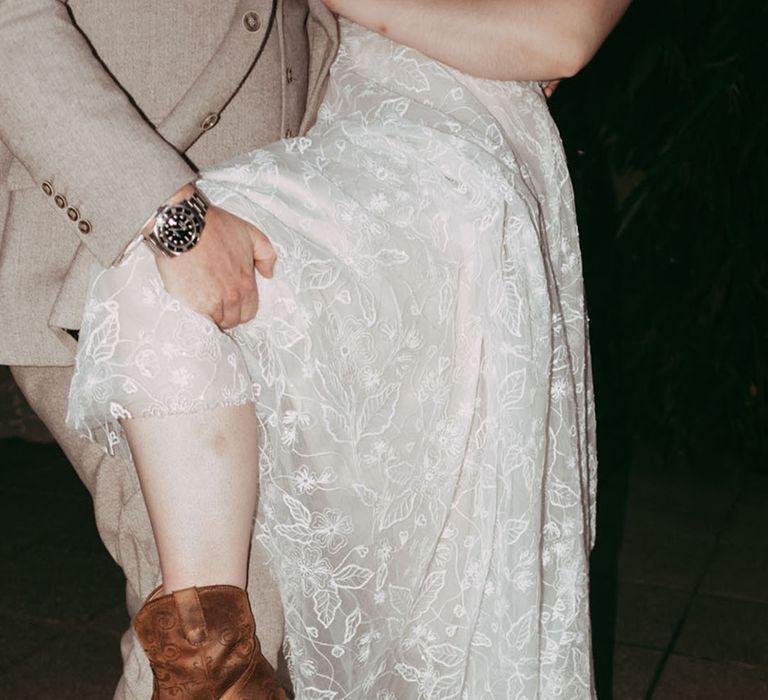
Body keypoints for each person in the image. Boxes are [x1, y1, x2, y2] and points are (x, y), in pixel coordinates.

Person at [66, 0, 632, 697]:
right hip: (329, 145)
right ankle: (213, 674)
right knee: (165, 283)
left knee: (452, 569)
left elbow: (562, 38)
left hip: (459, 178)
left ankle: (210, 675)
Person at [0, 1, 337, 697]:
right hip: (106, 253)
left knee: (247, 622)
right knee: (217, 636)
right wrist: (165, 210)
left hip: (269, 265)